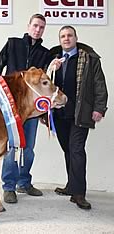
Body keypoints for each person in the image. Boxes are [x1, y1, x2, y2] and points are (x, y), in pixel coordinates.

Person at [0, 13, 51, 203]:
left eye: (41, 27)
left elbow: (45, 83)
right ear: (28, 26)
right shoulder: (12, 44)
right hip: (9, 107)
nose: (37, 29)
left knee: (28, 148)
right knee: (11, 148)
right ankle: (8, 187)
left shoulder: (46, 54)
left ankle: (24, 182)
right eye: (35, 25)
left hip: (31, 110)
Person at [50, 25, 108, 209]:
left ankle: (79, 193)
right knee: (68, 150)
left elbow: (100, 85)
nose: (66, 39)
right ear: (60, 40)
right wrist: (51, 69)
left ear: (75, 38)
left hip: (80, 113)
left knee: (76, 151)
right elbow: (43, 85)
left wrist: (99, 108)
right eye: (62, 36)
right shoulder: (53, 59)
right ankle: (71, 186)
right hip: (59, 114)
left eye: (69, 35)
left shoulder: (89, 59)